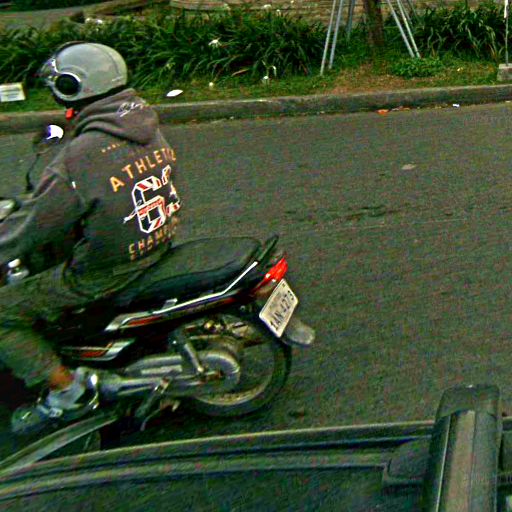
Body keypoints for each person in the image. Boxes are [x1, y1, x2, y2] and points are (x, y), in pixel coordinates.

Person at [0, 42, 181, 434]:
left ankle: (68, 393)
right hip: (154, 240)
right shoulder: (142, 123)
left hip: (107, 268)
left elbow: (35, 224)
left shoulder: (82, 154)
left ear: (70, 86)